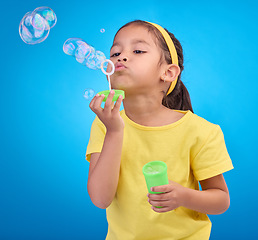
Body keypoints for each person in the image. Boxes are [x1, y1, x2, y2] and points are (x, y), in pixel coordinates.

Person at [85, 20, 233, 240]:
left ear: (168, 73)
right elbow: (100, 199)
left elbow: (221, 201)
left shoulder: (200, 131)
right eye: (115, 53)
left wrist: (184, 197)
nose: (121, 57)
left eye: (137, 50)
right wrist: (115, 131)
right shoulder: (106, 123)